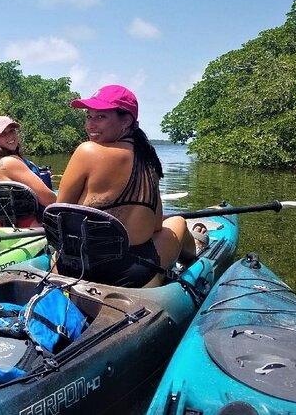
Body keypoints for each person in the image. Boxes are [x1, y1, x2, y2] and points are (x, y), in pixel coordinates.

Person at [56, 85, 207, 287]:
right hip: (133, 276)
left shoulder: (86, 151)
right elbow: (155, 227)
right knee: (177, 222)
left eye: (100, 117)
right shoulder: (149, 161)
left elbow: (58, 215)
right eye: (89, 117)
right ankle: (195, 251)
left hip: (75, 268)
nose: (90, 124)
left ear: (126, 121)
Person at [0, 115, 56, 208]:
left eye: (12, 130)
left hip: (3, 221)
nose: (10, 136)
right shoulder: (9, 162)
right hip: (31, 222)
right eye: (2, 133)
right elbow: (50, 201)